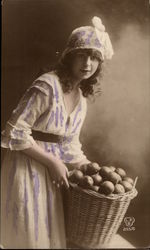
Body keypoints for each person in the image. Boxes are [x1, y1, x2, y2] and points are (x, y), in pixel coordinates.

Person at [1, 16, 114, 249]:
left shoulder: (81, 99)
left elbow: (70, 145)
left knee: (45, 236)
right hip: (26, 167)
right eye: (82, 54)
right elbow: (14, 131)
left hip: (53, 176)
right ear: (69, 56)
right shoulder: (47, 86)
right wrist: (52, 162)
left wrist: (94, 171)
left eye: (94, 57)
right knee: (27, 234)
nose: (88, 63)